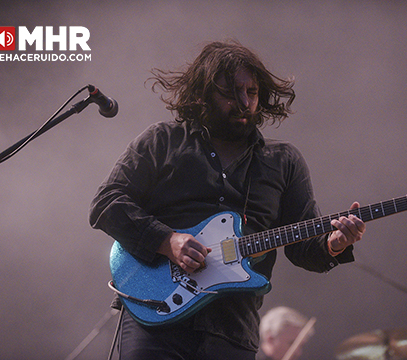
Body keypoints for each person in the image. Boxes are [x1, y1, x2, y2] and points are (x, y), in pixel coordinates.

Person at [89, 40, 365, 360]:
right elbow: (106, 203)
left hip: (232, 328)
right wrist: (168, 240)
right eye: (231, 92)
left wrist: (333, 243)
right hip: (154, 317)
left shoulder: (283, 161)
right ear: (203, 94)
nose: (244, 102)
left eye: (252, 92)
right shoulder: (161, 140)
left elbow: (305, 248)